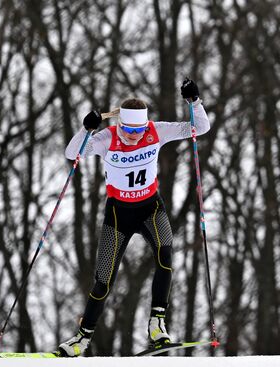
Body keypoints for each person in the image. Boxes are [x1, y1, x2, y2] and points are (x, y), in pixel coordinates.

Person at [58, 79, 210, 357]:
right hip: (118, 214)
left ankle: (157, 324)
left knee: (165, 254)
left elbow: (200, 127)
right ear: (120, 126)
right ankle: (82, 338)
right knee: (103, 280)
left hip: (151, 208)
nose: (134, 136)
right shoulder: (107, 138)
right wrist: (86, 130)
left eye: (139, 130)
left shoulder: (156, 131)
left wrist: (194, 102)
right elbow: (72, 153)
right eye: (128, 130)